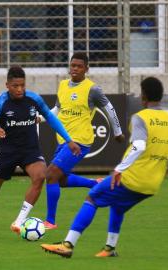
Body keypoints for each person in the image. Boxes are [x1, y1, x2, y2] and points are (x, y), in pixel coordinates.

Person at [41, 77, 168, 258]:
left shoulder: (141, 118)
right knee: (118, 207)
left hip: (131, 178)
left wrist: (120, 169)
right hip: (153, 185)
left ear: (144, 96)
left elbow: (139, 146)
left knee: (92, 199)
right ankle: (110, 248)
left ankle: (67, 245)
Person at [0, 66, 81, 240]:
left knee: (40, 176)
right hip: (8, 153)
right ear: (7, 85)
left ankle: (19, 221)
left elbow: (51, 118)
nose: (19, 89)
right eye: (15, 86)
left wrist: (69, 140)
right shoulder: (1, 102)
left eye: (22, 85)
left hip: (30, 151)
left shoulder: (34, 99)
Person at [41, 52, 125, 229]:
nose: (75, 69)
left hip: (80, 140)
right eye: (72, 65)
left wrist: (117, 132)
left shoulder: (92, 89)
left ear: (87, 68)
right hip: (63, 139)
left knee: (50, 175)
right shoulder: (63, 85)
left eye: (79, 66)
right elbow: (57, 108)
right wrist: (42, 118)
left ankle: (50, 221)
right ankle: (95, 183)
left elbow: (109, 108)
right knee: (60, 180)